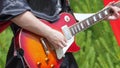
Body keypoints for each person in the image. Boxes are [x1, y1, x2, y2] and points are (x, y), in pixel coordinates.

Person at [0, 0, 120, 68]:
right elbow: (15, 12)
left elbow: (67, 19)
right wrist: (49, 34)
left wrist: (101, 15)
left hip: (60, 57)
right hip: (30, 56)